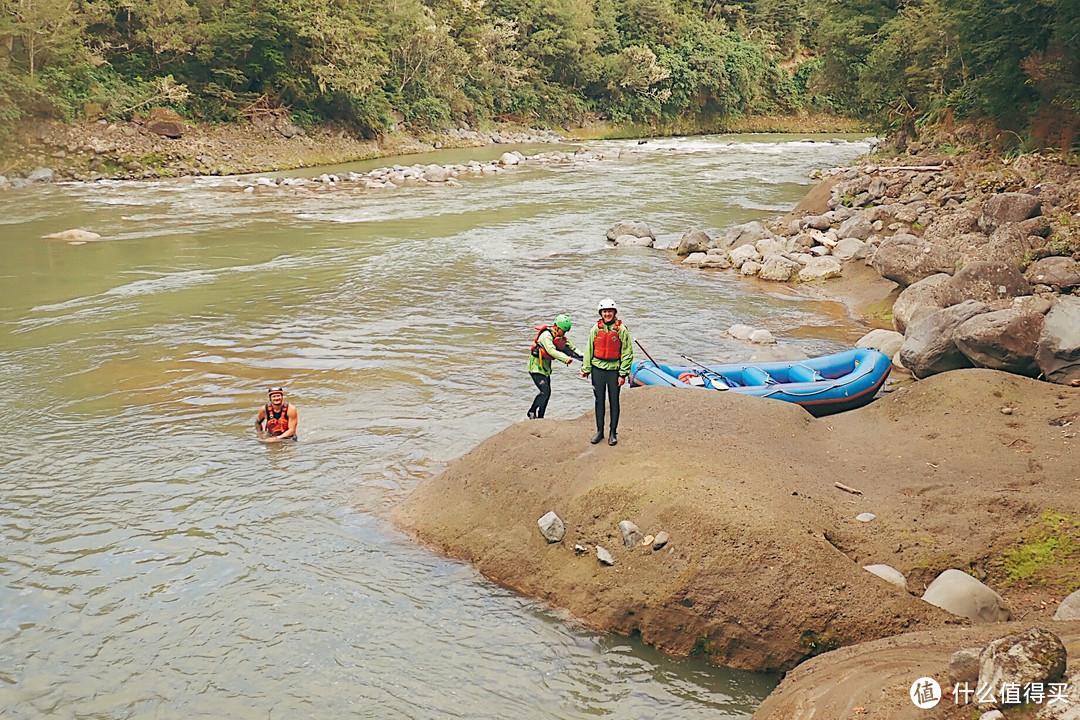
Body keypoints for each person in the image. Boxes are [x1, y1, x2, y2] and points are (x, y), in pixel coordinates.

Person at [581, 298, 633, 445]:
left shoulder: (621, 330)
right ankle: (599, 431)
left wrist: (623, 374)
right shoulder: (596, 329)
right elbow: (589, 349)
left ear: (614, 312)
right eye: (605, 311)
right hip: (598, 369)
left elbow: (627, 352)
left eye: (610, 311)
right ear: (601, 313)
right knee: (599, 401)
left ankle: (612, 433)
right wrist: (586, 369)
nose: (607, 314)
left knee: (614, 401)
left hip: (614, 371)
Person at [527, 314, 582, 419]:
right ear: (556, 327)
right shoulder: (546, 336)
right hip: (535, 368)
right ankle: (531, 411)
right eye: (563, 331)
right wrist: (565, 359)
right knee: (544, 391)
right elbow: (551, 350)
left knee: (547, 394)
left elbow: (572, 348)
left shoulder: (560, 336)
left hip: (545, 369)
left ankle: (540, 417)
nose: (564, 333)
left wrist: (583, 357)